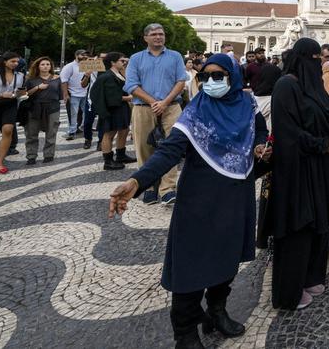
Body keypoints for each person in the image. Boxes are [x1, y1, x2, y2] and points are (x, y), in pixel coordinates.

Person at [109, 54, 270, 348]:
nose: (210, 82)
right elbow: (170, 150)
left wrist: (259, 144)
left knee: (227, 257)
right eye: (204, 77)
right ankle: (184, 332)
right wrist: (138, 180)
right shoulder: (196, 110)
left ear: (233, 77)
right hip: (200, 200)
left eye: (218, 75)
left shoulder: (247, 104)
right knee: (191, 265)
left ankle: (216, 311)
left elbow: (260, 129)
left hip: (235, 196)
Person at [257, 38, 329, 310]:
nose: (319, 64)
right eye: (316, 59)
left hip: (318, 167)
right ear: (302, 59)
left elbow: (324, 116)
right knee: (299, 226)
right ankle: (290, 289)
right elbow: (288, 133)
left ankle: (312, 276)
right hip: (297, 170)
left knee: (319, 224)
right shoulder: (286, 85)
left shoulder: (312, 86)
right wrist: (323, 144)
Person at [124, 23, 189, 205]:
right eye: (153, 34)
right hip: (143, 107)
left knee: (172, 146)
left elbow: (181, 81)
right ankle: (149, 185)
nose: (158, 37)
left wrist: (165, 102)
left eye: (161, 34)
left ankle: (168, 188)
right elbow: (131, 85)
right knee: (144, 147)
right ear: (145, 38)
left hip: (171, 107)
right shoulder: (136, 58)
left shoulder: (175, 56)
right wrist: (154, 102)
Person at [91, 52, 137, 171]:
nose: (124, 62)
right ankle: (108, 161)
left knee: (124, 130)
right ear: (112, 62)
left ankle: (121, 155)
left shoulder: (118, 74)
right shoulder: (107, 76)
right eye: (121, 61)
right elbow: (112, 97)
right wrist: (131, 98)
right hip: (112, 109)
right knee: (109, 134)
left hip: (121, 108)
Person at [23, 56, 63, 165]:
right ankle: (31, 156)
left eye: (48, 64)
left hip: (53, 108)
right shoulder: (31, 79)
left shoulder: (57, 78)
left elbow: (60, 95)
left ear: (51, 66)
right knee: (31, 133)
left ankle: (49, 155)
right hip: (34, 108)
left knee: (51, 132)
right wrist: (37, 88)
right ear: (38, 66)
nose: (45, 66)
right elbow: (24, 95)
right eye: (43, 64)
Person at [60, 49, 89, 140]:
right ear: (76, 55)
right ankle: (72, 131)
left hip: (85, 93)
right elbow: (64, 81)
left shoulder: (87, 66)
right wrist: (65, 94)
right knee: (73, 114)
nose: (85, 56)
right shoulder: (69, 66)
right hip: (73, 94)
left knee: (86, 113)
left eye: (86, 55)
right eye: (82, 54)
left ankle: (82, 127)